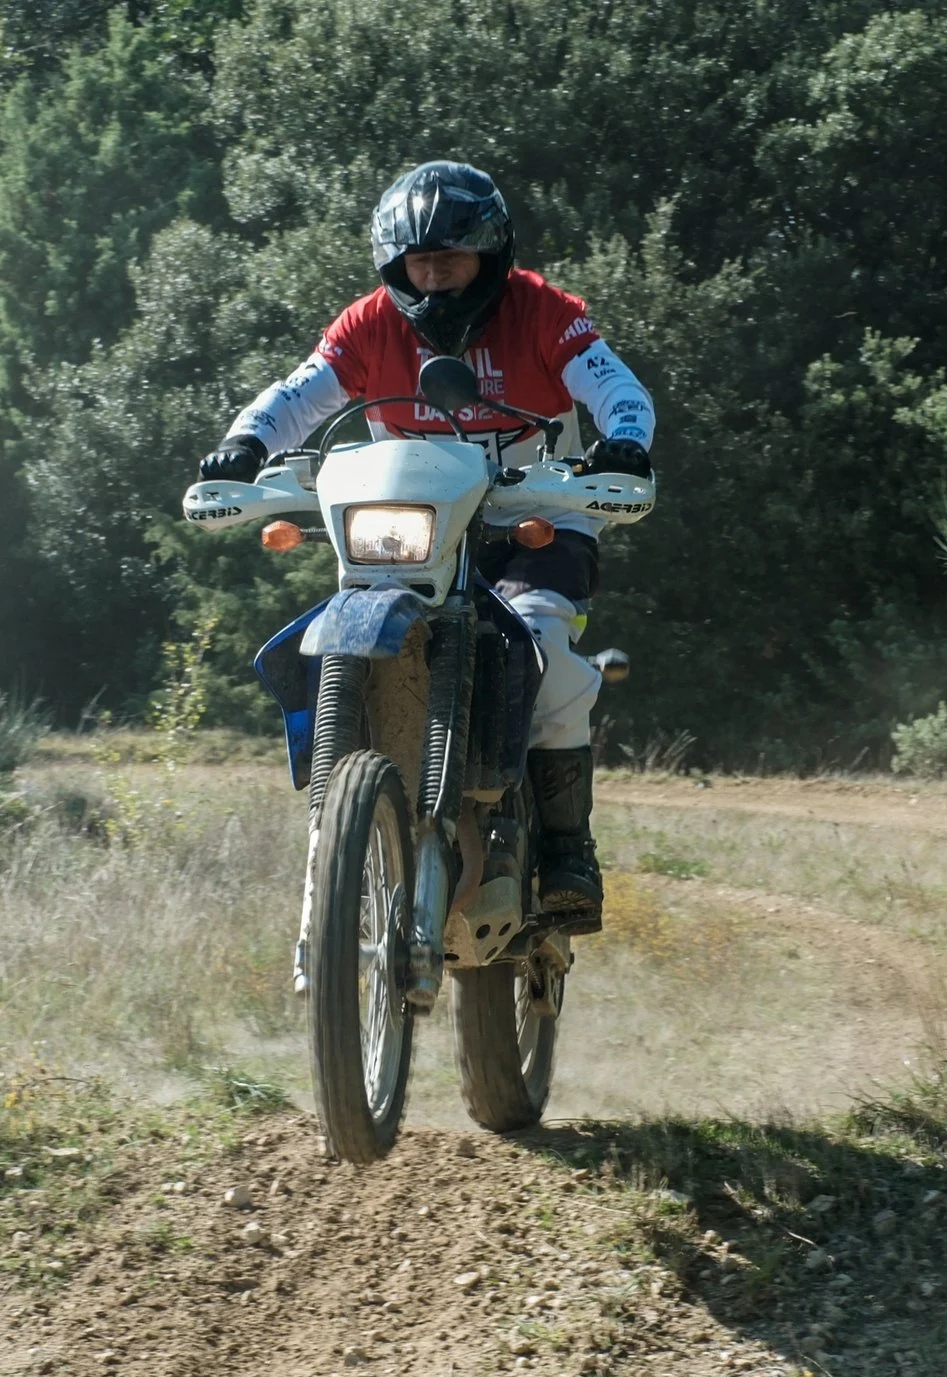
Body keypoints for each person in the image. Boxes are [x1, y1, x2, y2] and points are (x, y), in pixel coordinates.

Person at [194, 160, 655, 931]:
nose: (436, 279)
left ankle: (568, 848)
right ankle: (346, 838)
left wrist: (628, 441)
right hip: (413, 532)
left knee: (540, 643)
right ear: (395, 267)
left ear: (489, 257)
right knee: (337, 621)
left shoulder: (542, 311)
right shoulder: (371, 321)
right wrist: (245, 444)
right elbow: (297, 395)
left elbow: (617, 387)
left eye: (452, 259)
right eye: (421, 263)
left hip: (534, 524)